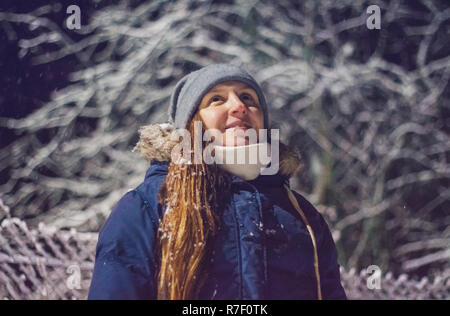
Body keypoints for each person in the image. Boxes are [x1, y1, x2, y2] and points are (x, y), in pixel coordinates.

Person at [87, 63, 347, 300]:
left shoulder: (302, 215)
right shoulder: (145, 207)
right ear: (191, 123)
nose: (238, 106)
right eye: (216, 99)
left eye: (247, 97)